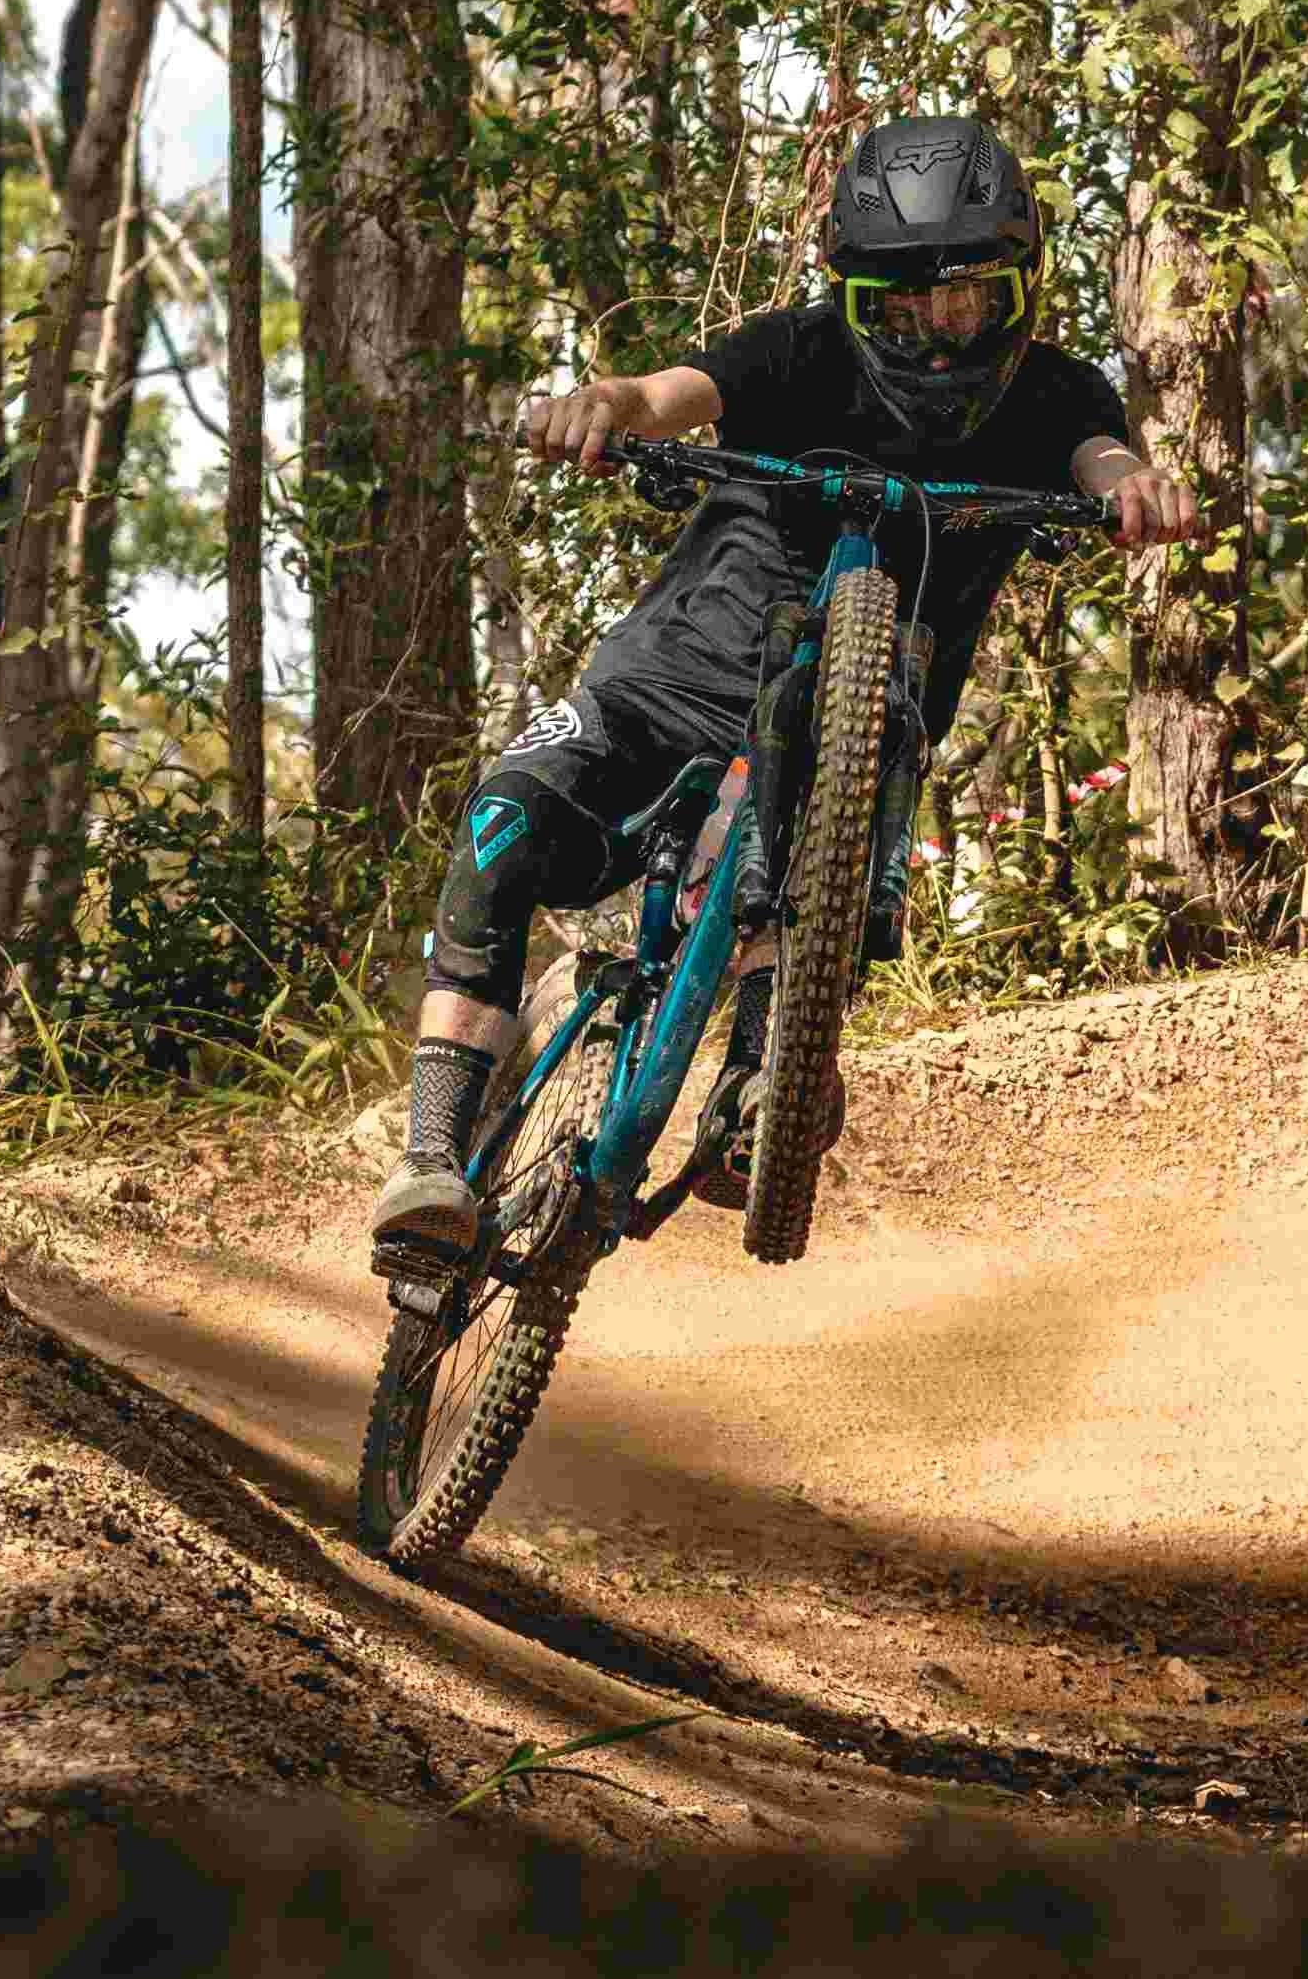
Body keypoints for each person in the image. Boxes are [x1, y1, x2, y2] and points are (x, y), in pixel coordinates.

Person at [374, 114, 1200, 1267]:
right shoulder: (799, 352)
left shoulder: (1053, 393)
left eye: (968, 301)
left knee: (802, 859)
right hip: (660, 689)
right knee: (501, 822)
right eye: (901, 308)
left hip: (839, 728)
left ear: (1020, 288)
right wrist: (601, 408)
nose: (939, 335)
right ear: (851, 302)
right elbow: (667, 393)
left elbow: (1098, 458)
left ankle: (763, 1087)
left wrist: (1135, 488)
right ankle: (429, 1158)